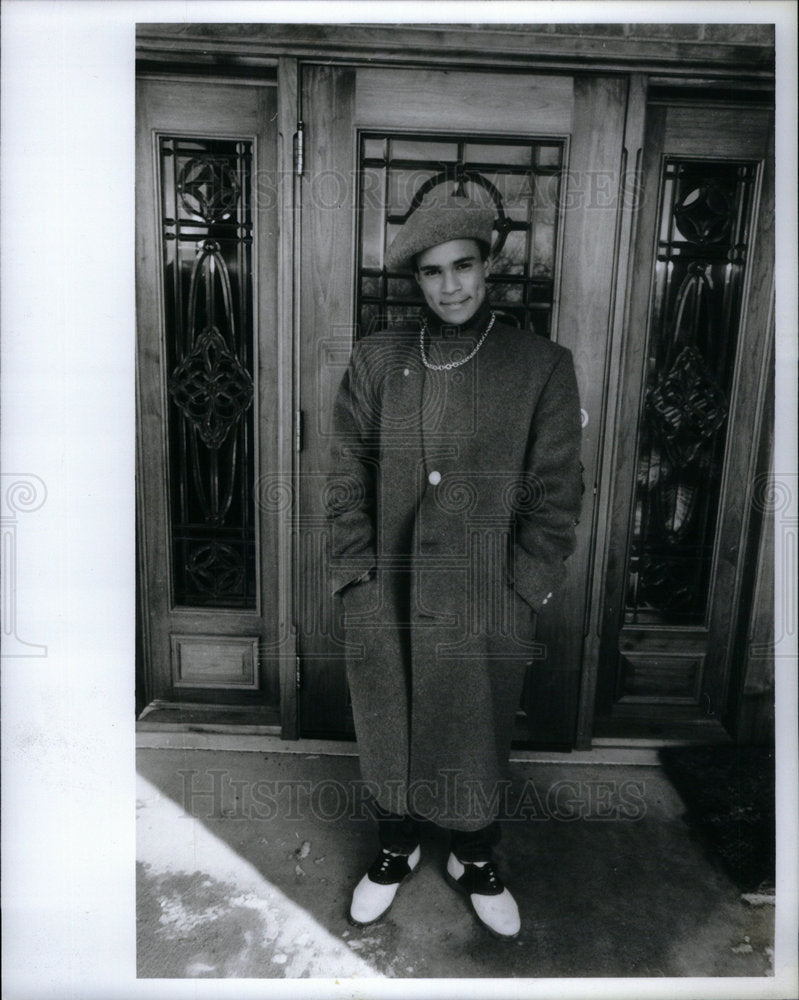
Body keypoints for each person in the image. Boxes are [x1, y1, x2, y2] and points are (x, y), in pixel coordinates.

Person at [326, 194, 583, 939]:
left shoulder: (540, 365)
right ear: (416, 280)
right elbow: (344, 471)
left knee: (473, 727)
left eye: (462, 267)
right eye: (431, 273)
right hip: (387, 584)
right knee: (389, 719)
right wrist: (354, 573)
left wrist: (521, 588)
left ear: (489, 266)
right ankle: (396, 846)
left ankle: (474, 855)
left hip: (483, 594)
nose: (449, 288)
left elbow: (556, 489)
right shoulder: (379, 357)